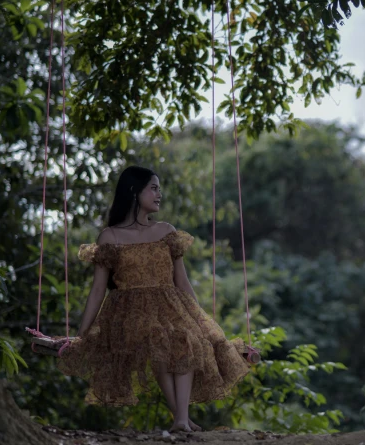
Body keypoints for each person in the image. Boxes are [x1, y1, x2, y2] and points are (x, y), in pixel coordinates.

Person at [58, 166, 251, 432]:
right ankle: (181, 418)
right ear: (134, 192)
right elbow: (98, 290)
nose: (159, 194)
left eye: (159, 188)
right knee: (158, 341)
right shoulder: (110, 236)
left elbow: (181, 281)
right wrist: (82, 333)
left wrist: (199, 318)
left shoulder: (166, 232)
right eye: (154, 188)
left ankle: (181, 419)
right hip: (129, 313)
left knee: (184, 339)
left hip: (170, 305)